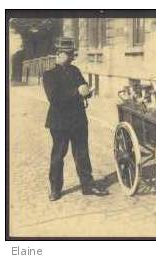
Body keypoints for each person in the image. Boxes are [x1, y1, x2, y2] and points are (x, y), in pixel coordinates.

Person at [43, 45, 108, 201]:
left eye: (72, 54)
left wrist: (87, 92)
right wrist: (76, 92)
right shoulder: (49, 75)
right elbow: (54, 98)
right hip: (59, 122)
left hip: (78, 119)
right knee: (58, 156)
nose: (71, 57)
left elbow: (83, 88)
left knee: (82, 154)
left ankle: (87, 185)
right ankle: (55, 189)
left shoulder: (75, 71)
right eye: (68, 54)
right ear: (58, 55)